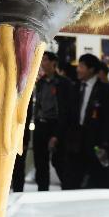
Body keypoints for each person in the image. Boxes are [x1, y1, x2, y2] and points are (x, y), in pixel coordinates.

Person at [62, 54, 109, 189]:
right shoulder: (75, 87)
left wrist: (104, 143)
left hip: (95, 143)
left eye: (81, 66)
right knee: (72, 181)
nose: (78, 69)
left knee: (97, 181)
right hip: (76, 143)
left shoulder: (105, 91)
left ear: (91, 69)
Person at [32, 52, 74, 191]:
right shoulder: (41, 82)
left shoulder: (64, 83)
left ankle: (67, 190)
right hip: (40, 125)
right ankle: (42, 192)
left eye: (44, 60)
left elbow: (66, 110)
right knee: (40, 163)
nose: (42, 63)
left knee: (59, 162)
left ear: (53, 63)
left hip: (56, 126)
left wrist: (57, 134)